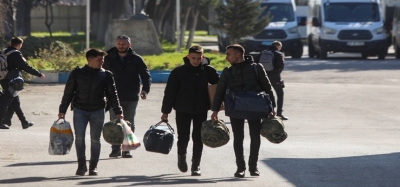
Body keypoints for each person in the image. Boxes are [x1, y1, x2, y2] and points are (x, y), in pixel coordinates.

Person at [211, 44, 276, 178]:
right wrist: (215, 110)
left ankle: (253, 167)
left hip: (255, 107)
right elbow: (219, 92)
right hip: (235, 107)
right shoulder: (228, 71)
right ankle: (240, 168)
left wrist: (272, 107)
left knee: (255, 136)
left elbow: (267, 88)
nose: (226, 57)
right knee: (238, 137)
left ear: (238, 54)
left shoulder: (257, 68)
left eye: (229, 54)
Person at [58, 49, 123, 176]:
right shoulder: (77, 73)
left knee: (95, 139)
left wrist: (118, 111)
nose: (102, 62)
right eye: (99, 59)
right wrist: (62, 110)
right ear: (90, 60)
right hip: (79, 110)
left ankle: (93, 167)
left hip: (98, 110)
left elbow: (113, 95)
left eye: (103, 59)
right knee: (80, 138)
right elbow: (68, 92)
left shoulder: (106, 75)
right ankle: (81, 166)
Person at [161, 45, 220, 176]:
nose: (196, 61)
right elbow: (170, 93)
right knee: (183, 138)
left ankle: (196, 165)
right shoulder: (178, 72)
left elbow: (218, 86)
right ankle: (181, 158)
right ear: (188, 57)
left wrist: (217, 107)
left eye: (199, 58)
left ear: (203, 57)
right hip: (182, 109)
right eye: (193, 58)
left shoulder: (207, 71)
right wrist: (165, 112)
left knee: (198, 138)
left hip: (201, 109)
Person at [103, 35, 152, 158]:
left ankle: (127, 149)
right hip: (113, 97)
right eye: (119, 43)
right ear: (115, 44)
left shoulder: (136, 59)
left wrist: (145, 90)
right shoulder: (108, 59)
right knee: (115, 123)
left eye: (124, 44)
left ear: (129, 45)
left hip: (131, 96)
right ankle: (115, 149)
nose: (121, 46)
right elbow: (101, 76)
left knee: (129, 123)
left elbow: (145, 76)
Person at [0, 37, 45, 130]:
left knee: (15, 101)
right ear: (19, 45)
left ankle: (24, 122)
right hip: (11, 80)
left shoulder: (3, 52)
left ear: (10, 43)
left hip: (1, 78)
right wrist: (38, 74)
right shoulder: (15, 54)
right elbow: (25, 66)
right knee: (6, 101)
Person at [257, 41, 288, 120]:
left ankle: (265, 113)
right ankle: (279, 113)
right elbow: (281, 66)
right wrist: (277, 73)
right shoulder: (278, 54)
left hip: (263, 76)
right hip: (275, 77)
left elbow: (256, 63)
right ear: (278, 46)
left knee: (265, 94)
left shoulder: (263, 53)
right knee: (280, 94)